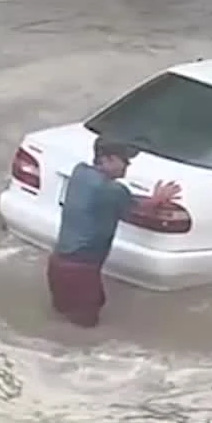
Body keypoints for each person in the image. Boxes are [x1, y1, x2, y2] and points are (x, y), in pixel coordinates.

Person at [46, 137, 181, 328]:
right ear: (107, 159)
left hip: (58, 263)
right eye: (124, 160)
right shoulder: (112, 190)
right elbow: (137, 210)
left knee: (62, 319)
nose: (127, 165)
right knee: (86, 323)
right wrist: (158, 199)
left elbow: (121, 200)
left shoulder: (80, 172)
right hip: (81, 271)